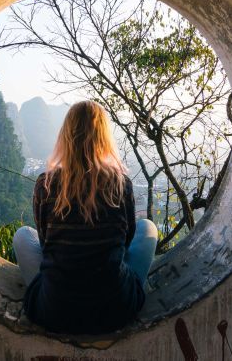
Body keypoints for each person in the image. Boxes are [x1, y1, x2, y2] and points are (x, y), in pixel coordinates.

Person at [12, 100, 158, 334]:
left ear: (66, 136)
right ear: (104, 138)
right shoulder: (120, 184)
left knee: (22, 236)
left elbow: (45, 242)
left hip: (54, 311)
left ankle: (55, 289)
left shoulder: (46, 184)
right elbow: (127, 240)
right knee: (148, 228)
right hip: (116, 309)